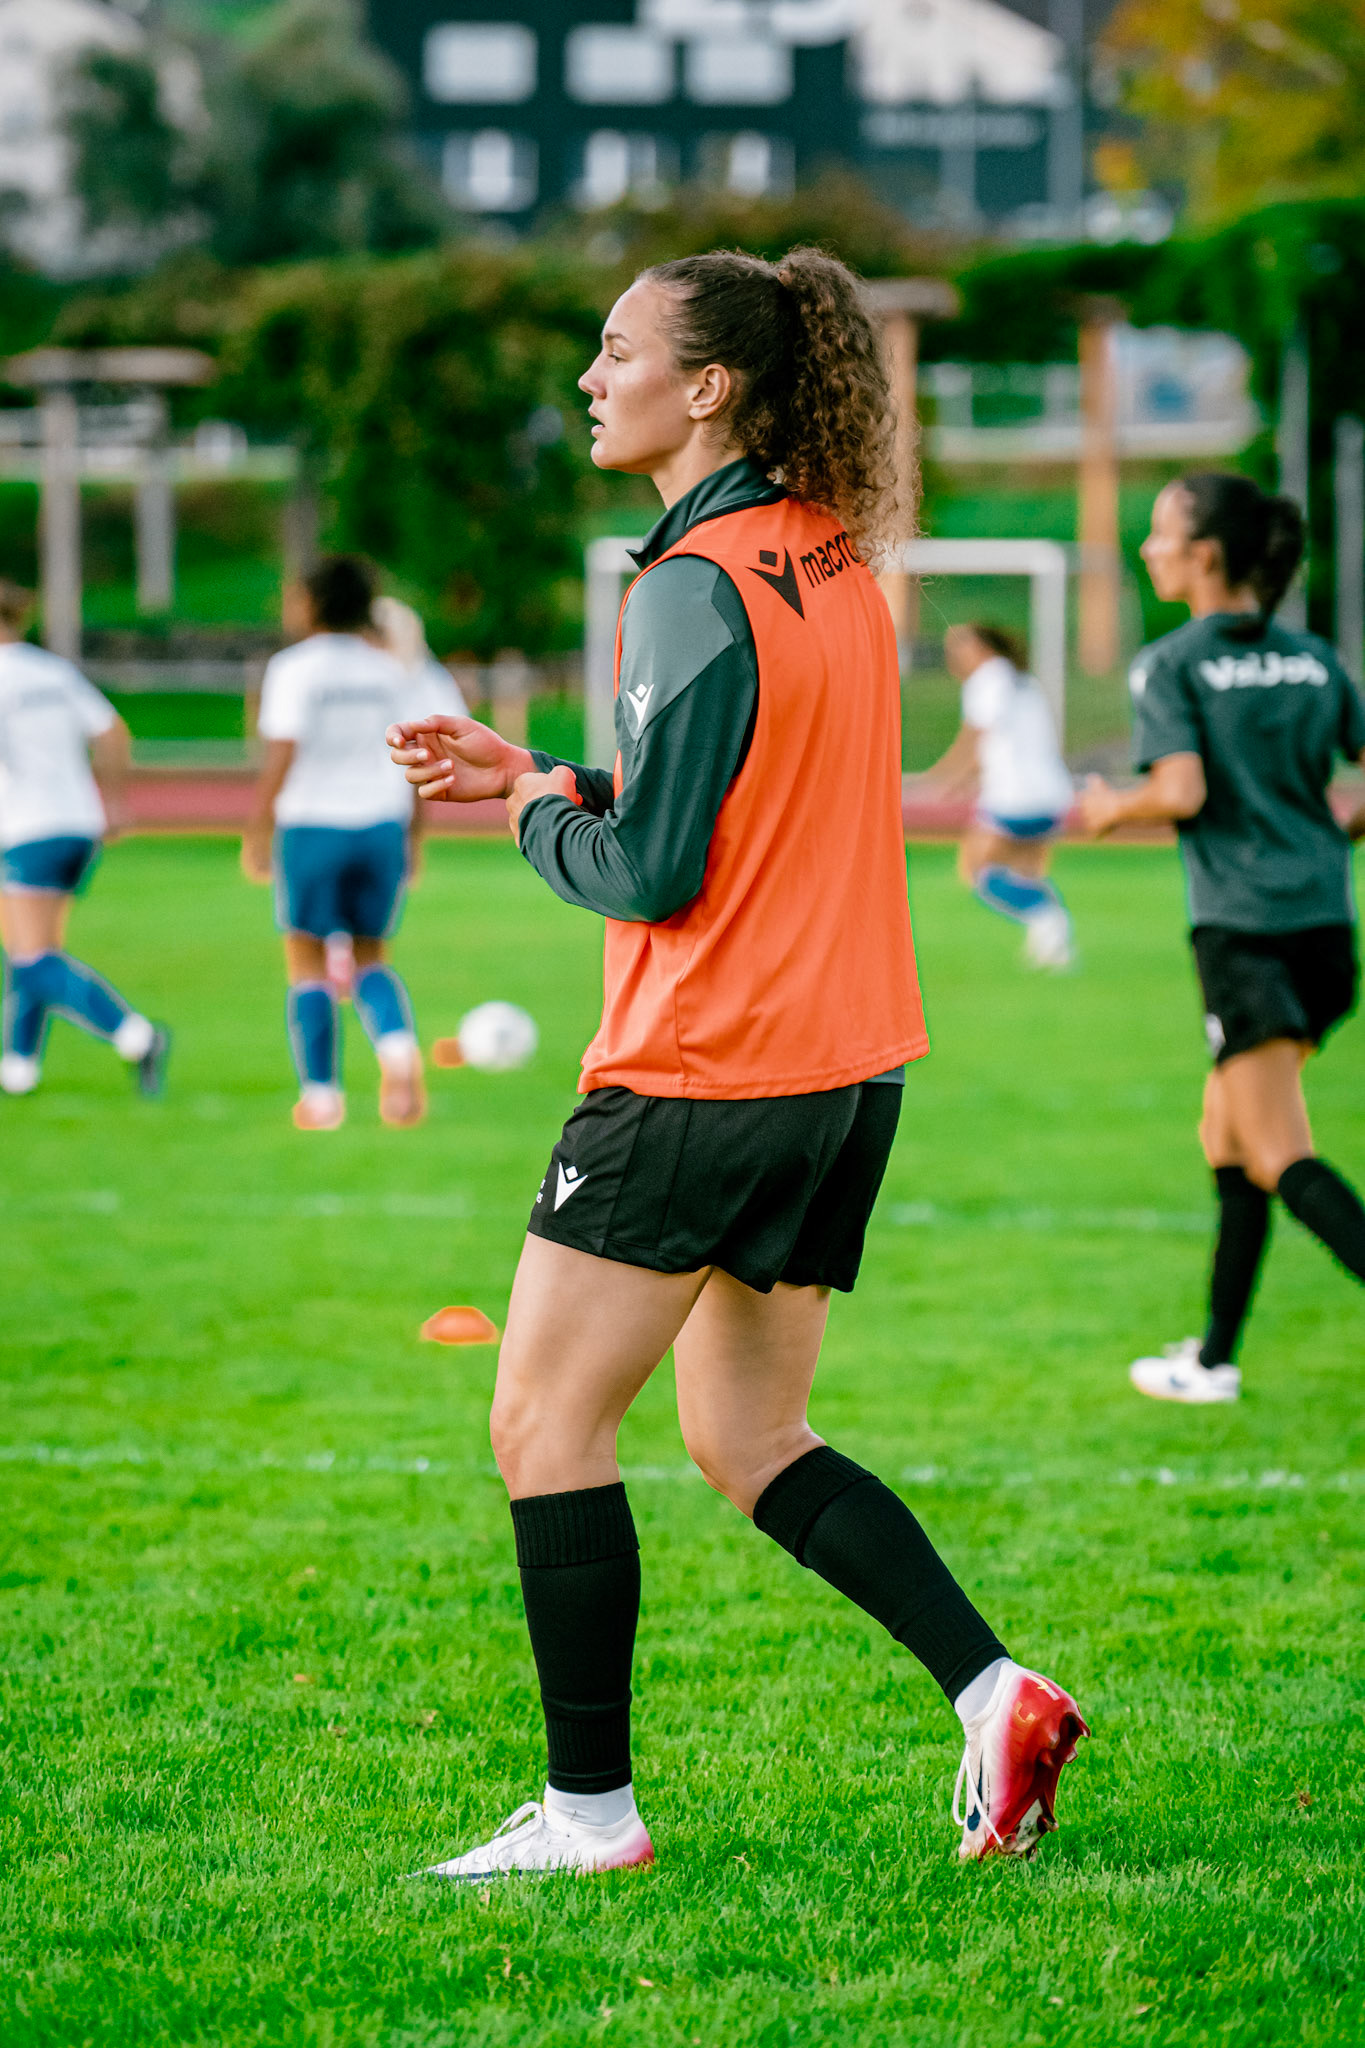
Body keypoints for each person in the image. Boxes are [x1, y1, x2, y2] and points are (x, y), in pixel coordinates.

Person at [388, 248, 1087, 1879]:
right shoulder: (833, 555)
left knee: (544, 1424)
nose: (590, 376)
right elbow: (730, 795)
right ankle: (997, 1690)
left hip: (700, 1069)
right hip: (844, 1072)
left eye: (616, 348)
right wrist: (551, 766)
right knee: (746, 1437)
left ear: (708, 385)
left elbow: (653, 872)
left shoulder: (689, 579)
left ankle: (589, 1818)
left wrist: (530, 813)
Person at [1080, 471, 1365, 1403]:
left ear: (1203, 557)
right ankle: (1211, 1359)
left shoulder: (1173, 663)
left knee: (1278, 1150)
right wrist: (1324, 829)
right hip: (1325, 932)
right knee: (1227, 1134)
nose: (1146, 549)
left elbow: (1182, 792)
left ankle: (1212, 1360)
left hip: (1244, 938)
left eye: (1159, 534)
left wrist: (1107, 807)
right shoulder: (1316, 659)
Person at [242, 557, 434, 1132]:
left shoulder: (294, 668)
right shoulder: (390, 670)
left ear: (312, 603)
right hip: (380, 824)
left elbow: (283, 753)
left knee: (307, 964)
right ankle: (399, 1057)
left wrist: (257, 828)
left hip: (312, 825)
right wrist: (414, 836)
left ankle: (321, 1097)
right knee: (372, 957)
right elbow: (416, 755)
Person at [0, 579, 169, 1099]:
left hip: (26, 824)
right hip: (79, 821)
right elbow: (113, 731)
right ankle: (20, 1065)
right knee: (35, 948)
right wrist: (114, 803)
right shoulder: (53, 671)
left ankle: (134, 1034)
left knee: (33, 957)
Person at [916, 623, 1075, 968]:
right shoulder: (1023, 681)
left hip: (1014, 796)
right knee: (1026, 872)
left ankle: (1048, 920)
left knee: (975, 871)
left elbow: (977, 738)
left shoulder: (987, 679)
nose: (954, 654)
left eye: (961, 645)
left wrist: (946, 780)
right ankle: (1050, 949)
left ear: (984, 648)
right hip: (1052, 792)